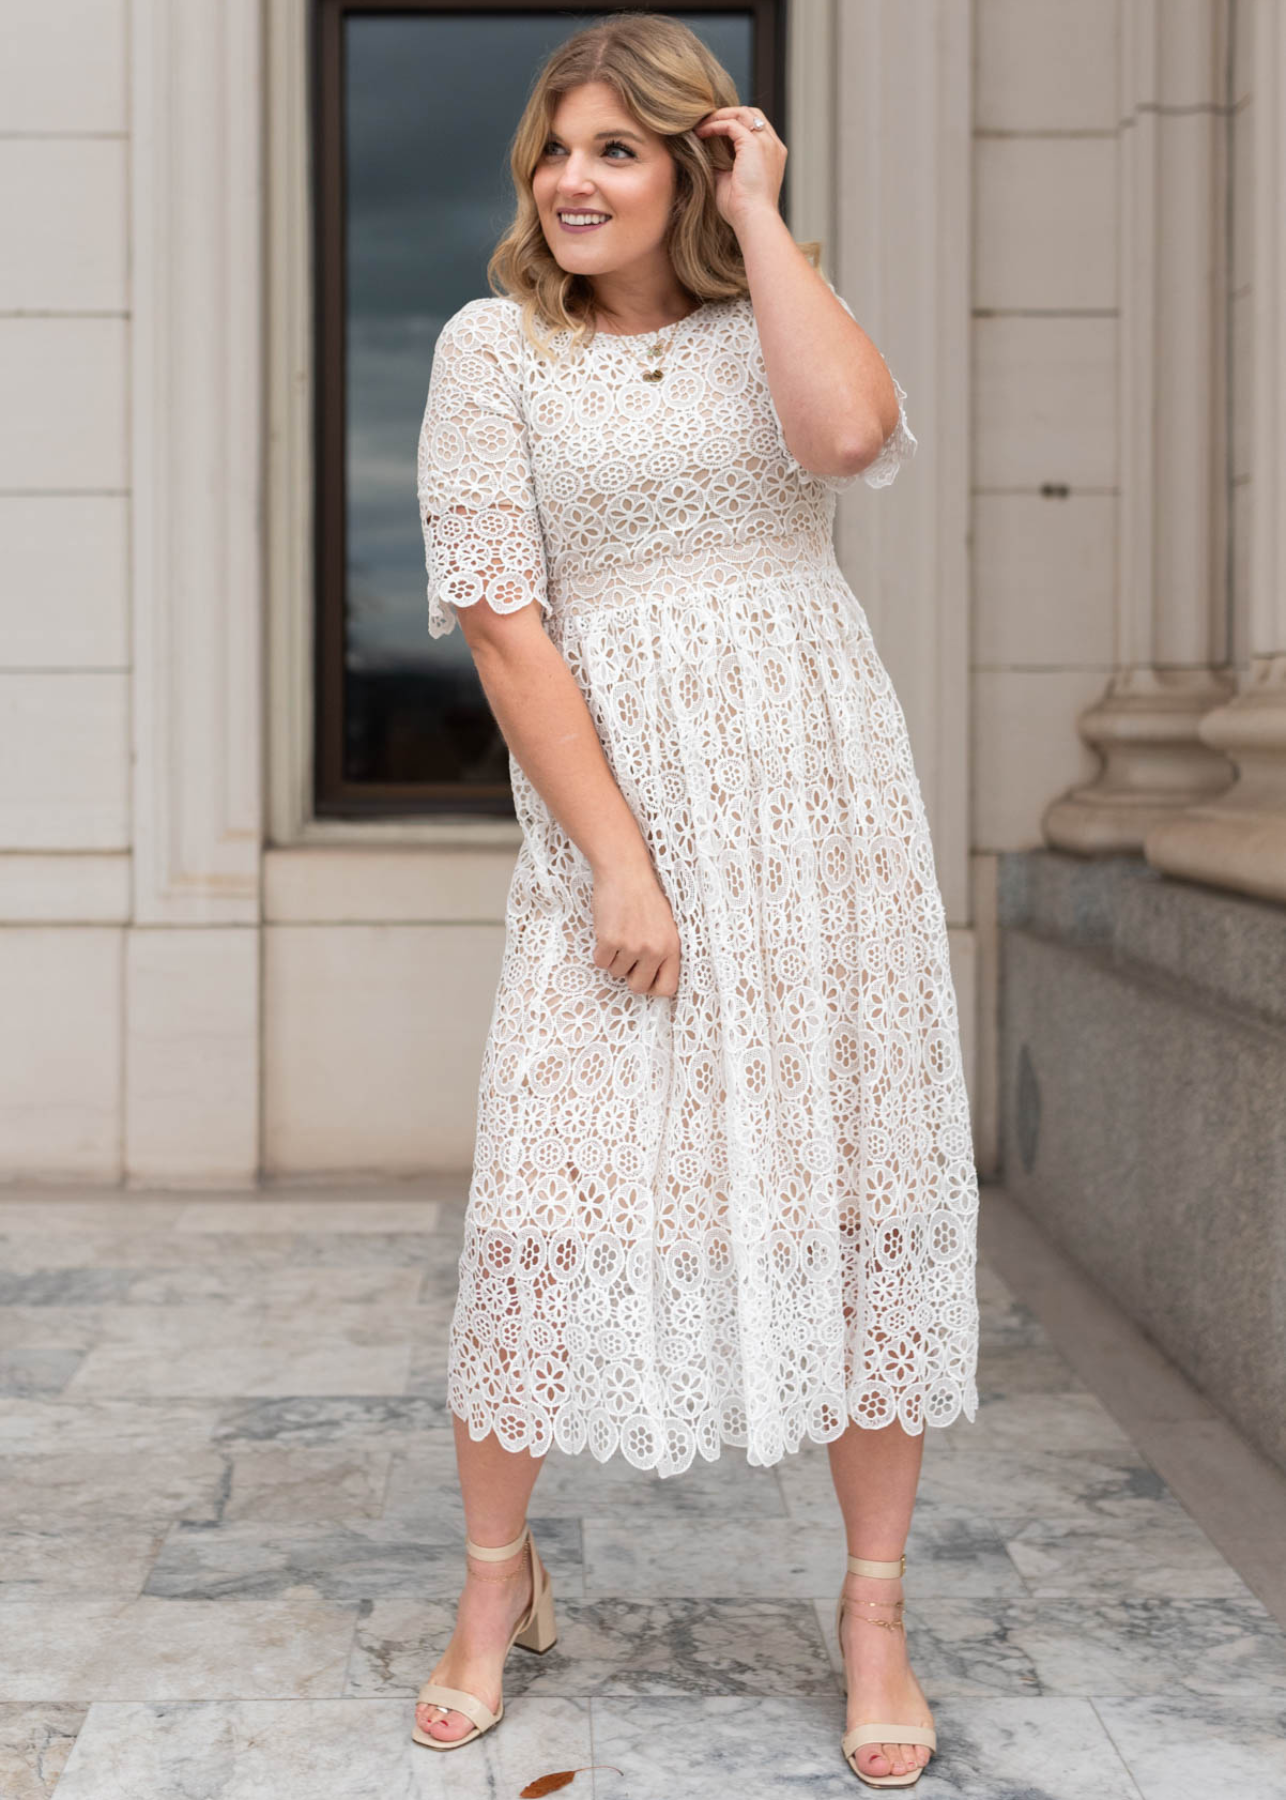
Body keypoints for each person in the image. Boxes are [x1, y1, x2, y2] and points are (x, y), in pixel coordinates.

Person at [412, 14, 979, 1788]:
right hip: (619, 813)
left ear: (688, 169)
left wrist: (773, 215)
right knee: (544, 1197)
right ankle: (495, 1590)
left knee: (862, 1177)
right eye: (553, 151)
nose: (571, 181)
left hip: (817, 811)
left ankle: (870, 1610)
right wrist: (621, 862)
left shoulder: (765, 324)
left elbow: (850, 433)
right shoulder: (490, 347)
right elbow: (507, 627)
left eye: (616, 151)